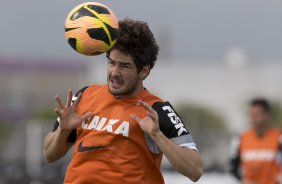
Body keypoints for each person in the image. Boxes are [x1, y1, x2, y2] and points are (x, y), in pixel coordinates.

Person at [43, 18, 202, 183]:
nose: (114, 72)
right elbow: (49, 155)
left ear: (144, 71)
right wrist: (63, 131)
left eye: (124, 66)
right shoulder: (84, 96)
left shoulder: (157, 110)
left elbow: (195, 170)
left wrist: (157, 135)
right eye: (111, 63)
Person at [230, 98, 282, 184]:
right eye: (251, 114)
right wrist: (242, 179)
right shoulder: (240, 139)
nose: (254, 118)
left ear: (268, 115)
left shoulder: (278, 137)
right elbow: (232, 168)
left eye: (258, 114)